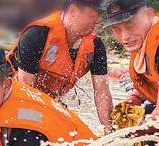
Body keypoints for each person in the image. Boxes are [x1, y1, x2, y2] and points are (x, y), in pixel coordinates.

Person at [6, 0, 114, 133]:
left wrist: (110, 131)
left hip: (48, 104)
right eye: (96, 13)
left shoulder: (96, 46)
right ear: (74, 10)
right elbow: (25, 91)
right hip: (12, 100)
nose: (98, 21)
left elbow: (102, 92)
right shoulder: (37, 35)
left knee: (72, 130)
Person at [105, 0, 159, 141]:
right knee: (136, 115)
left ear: (149, 14)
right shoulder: (144, 38)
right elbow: (153, 78)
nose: (125, 37)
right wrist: (135, 97)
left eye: (130, 25)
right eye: (117, 29)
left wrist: (133, 136)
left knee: (141, 138)